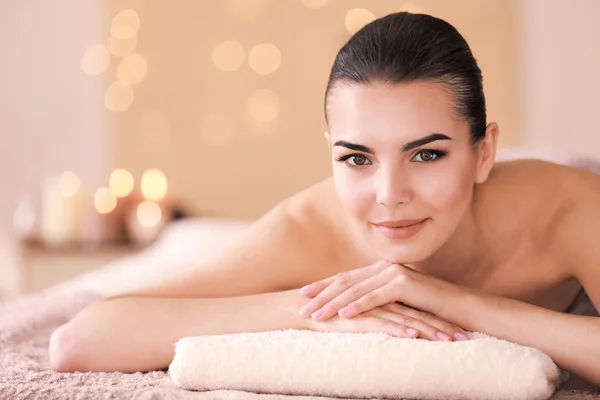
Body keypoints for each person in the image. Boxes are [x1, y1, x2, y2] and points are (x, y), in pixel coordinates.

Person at [49, 11, 600, 386]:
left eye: (426, 154)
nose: (389, 196)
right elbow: (77, 343)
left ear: (484, 152)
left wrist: (455, 302)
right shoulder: (308, 228)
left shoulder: (566, 205)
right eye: (357, 158)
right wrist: (312, 312)